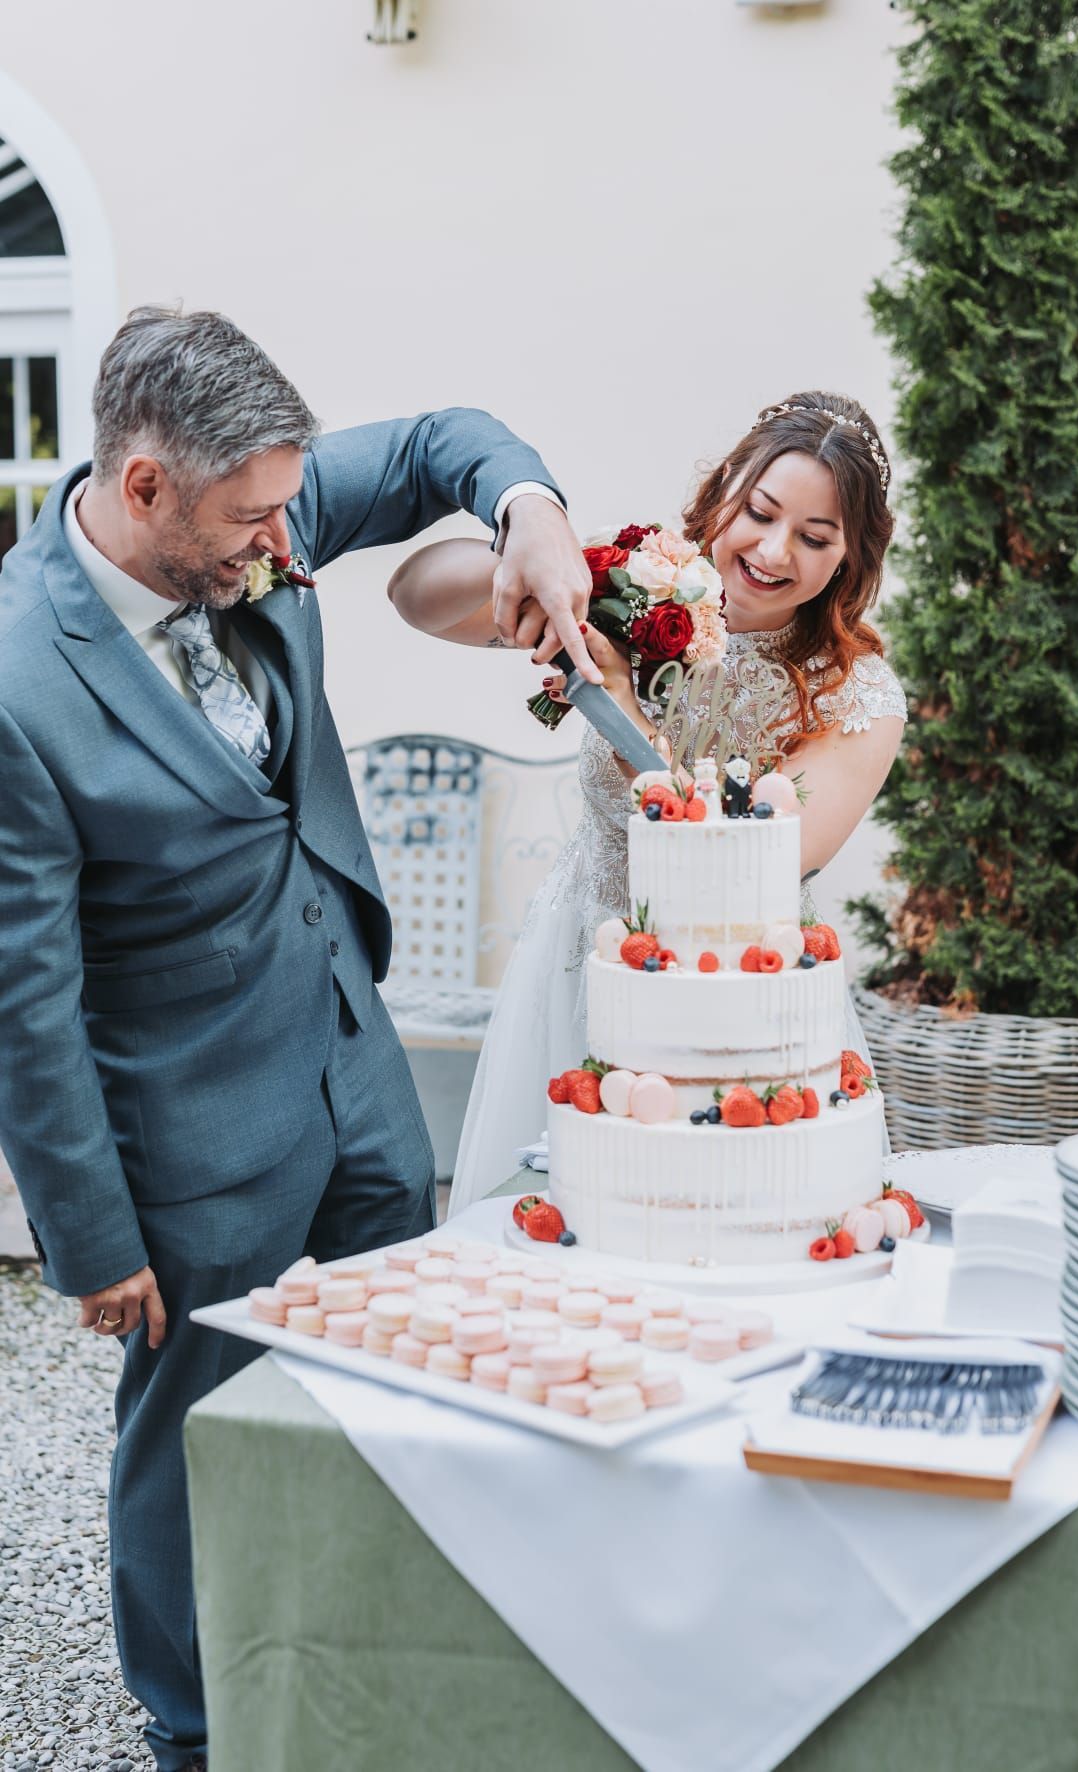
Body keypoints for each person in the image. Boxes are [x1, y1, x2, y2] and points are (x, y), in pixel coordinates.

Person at [0, 304, 595, 1772]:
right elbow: (22, 995)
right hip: (188, 1128)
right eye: (251, 521)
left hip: (354, 1059)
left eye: (288, 509)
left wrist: (534, 517)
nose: (283, 543)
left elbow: (455, 442)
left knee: (389, 1371)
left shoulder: (258, 494)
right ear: (145, 489)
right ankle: (196, 1727)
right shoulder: (17, 684)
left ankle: (364, 1666)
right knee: (197, 1426)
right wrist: (90, 1236)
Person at [390, 392, 908, 1212]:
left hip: (739, 1004)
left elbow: (758, 862)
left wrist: (622, 705)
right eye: (761, 513)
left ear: (851, 557)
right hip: (579, 960)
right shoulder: (631, 600)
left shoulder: (858, 696)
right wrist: (550, 549)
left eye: (815, 538)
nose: (774, 552)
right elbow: (414, 596)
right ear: (726, 489)